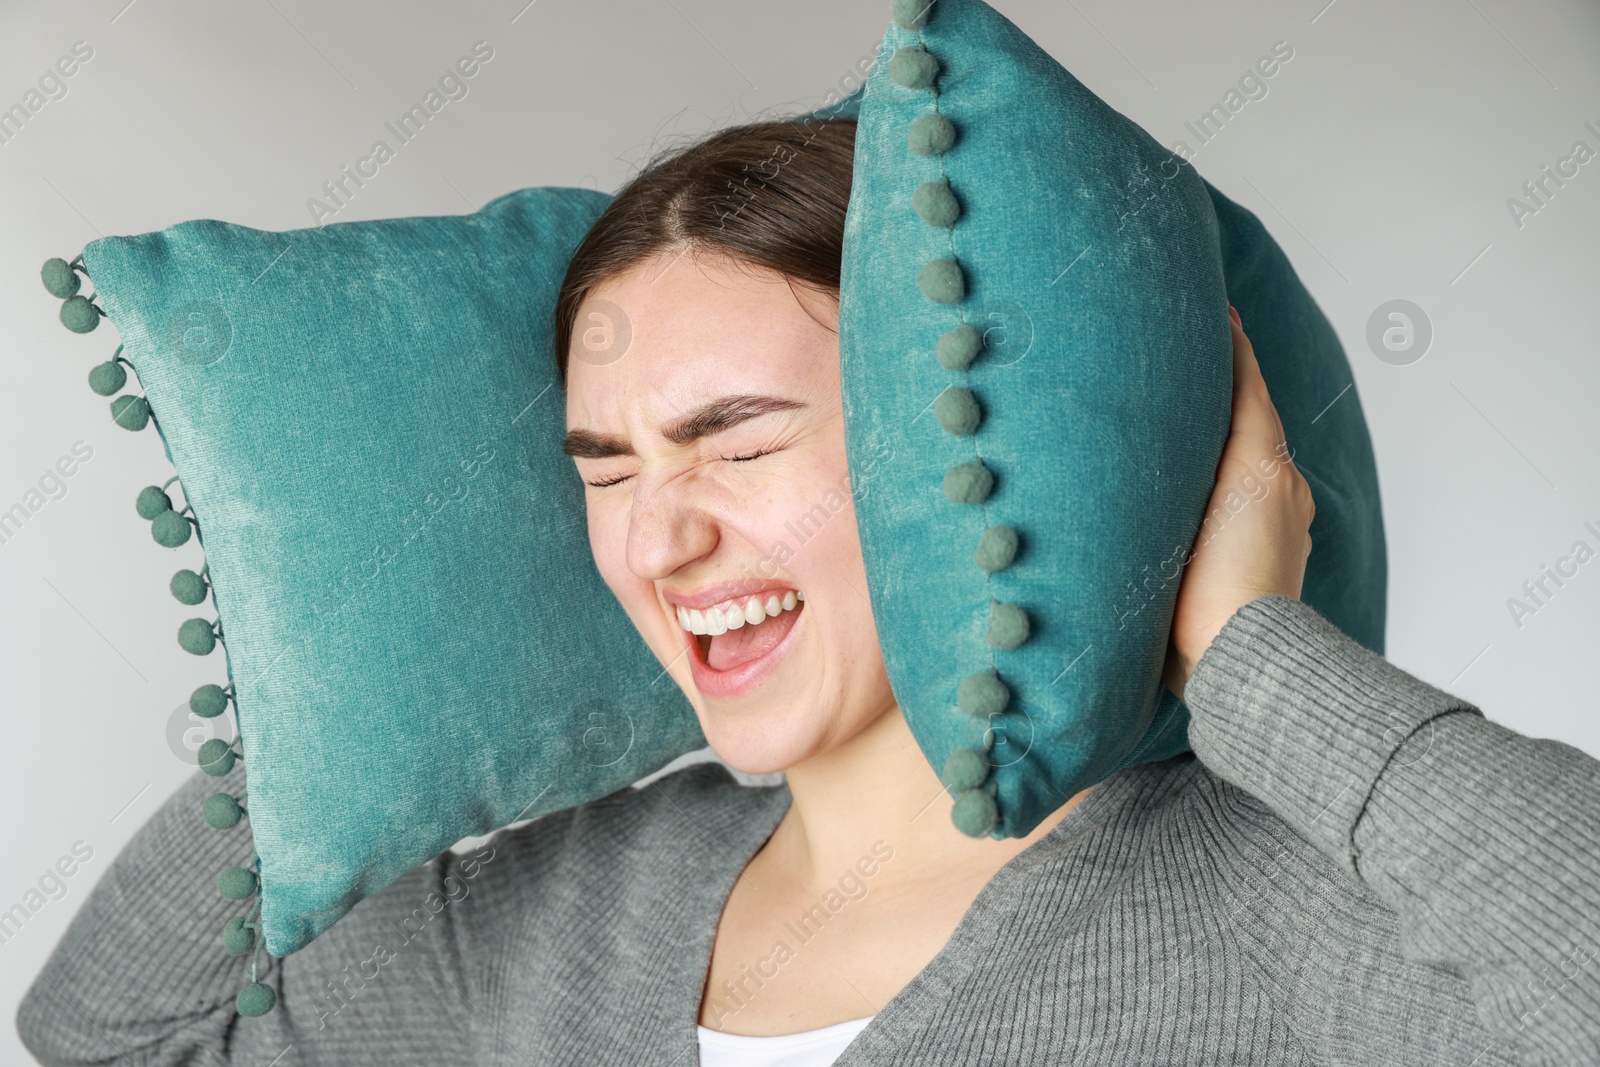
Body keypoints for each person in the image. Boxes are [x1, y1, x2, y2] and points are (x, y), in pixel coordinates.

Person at [17, 117, 1599, 1067]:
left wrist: (1255, 652)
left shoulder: (1271, 897)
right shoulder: (559, 910)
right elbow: (123, 1037)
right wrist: (349, 684)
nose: (658, 540)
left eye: (736, 439)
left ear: (950, 457)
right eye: (608, 469)